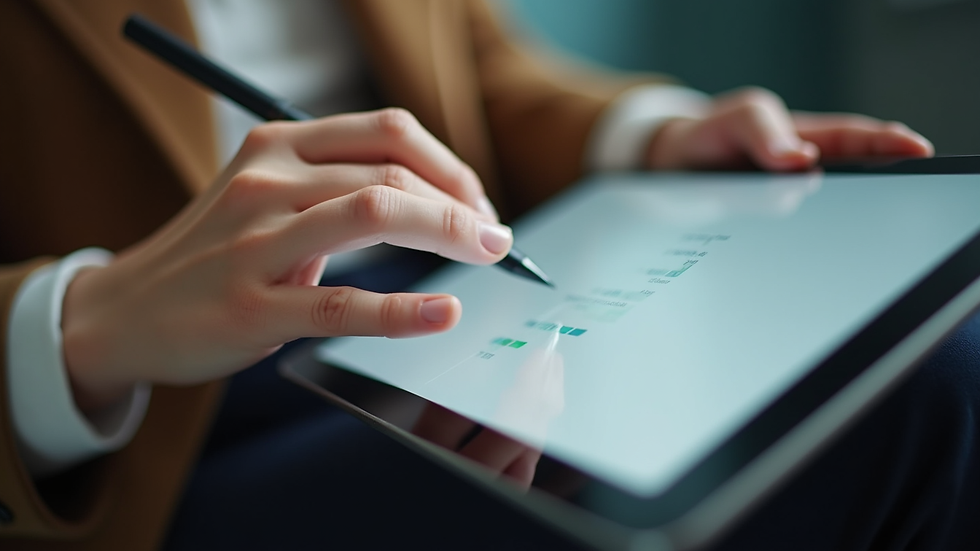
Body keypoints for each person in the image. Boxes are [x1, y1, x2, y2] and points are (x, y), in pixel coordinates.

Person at [2, 1, 976, 550]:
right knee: (894, 406)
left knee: (929, 347)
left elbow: (481, 68)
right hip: (161, 427)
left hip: (459, 293)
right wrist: (82, 323)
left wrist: (653, 133)